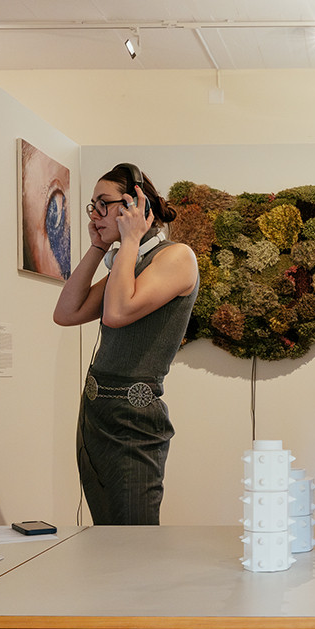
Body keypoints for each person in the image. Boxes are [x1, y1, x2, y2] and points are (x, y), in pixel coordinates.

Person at [53, 163, 200, 525]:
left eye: (104, 203)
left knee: (135, 539)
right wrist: (97, 247)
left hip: (133, 422)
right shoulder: (128, 264)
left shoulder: (176, 256)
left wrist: (130, 240)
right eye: (93, 205)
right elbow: (66, 313)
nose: (95, 214)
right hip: (96, 415)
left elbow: (117, 312)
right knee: (106, 535)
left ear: (137, 205)